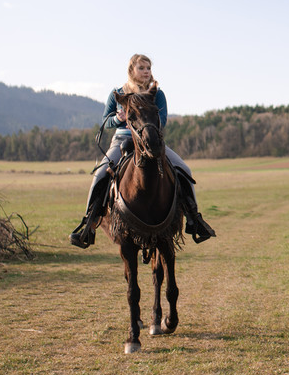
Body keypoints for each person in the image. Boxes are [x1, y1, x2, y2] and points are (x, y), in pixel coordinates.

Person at [70, 54, 215, 248]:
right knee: (100, 174)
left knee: (184, 170)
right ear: (132, 70)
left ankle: (194, 220)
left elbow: (161, 120)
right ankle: (88, 224)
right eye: (142, 68)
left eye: (148, 68)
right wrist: (119, 118)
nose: (146, 71)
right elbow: (106, 119)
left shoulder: (157, 93)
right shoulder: (118, 92)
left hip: (151, 141)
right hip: (122, 139)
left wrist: (146, 127)